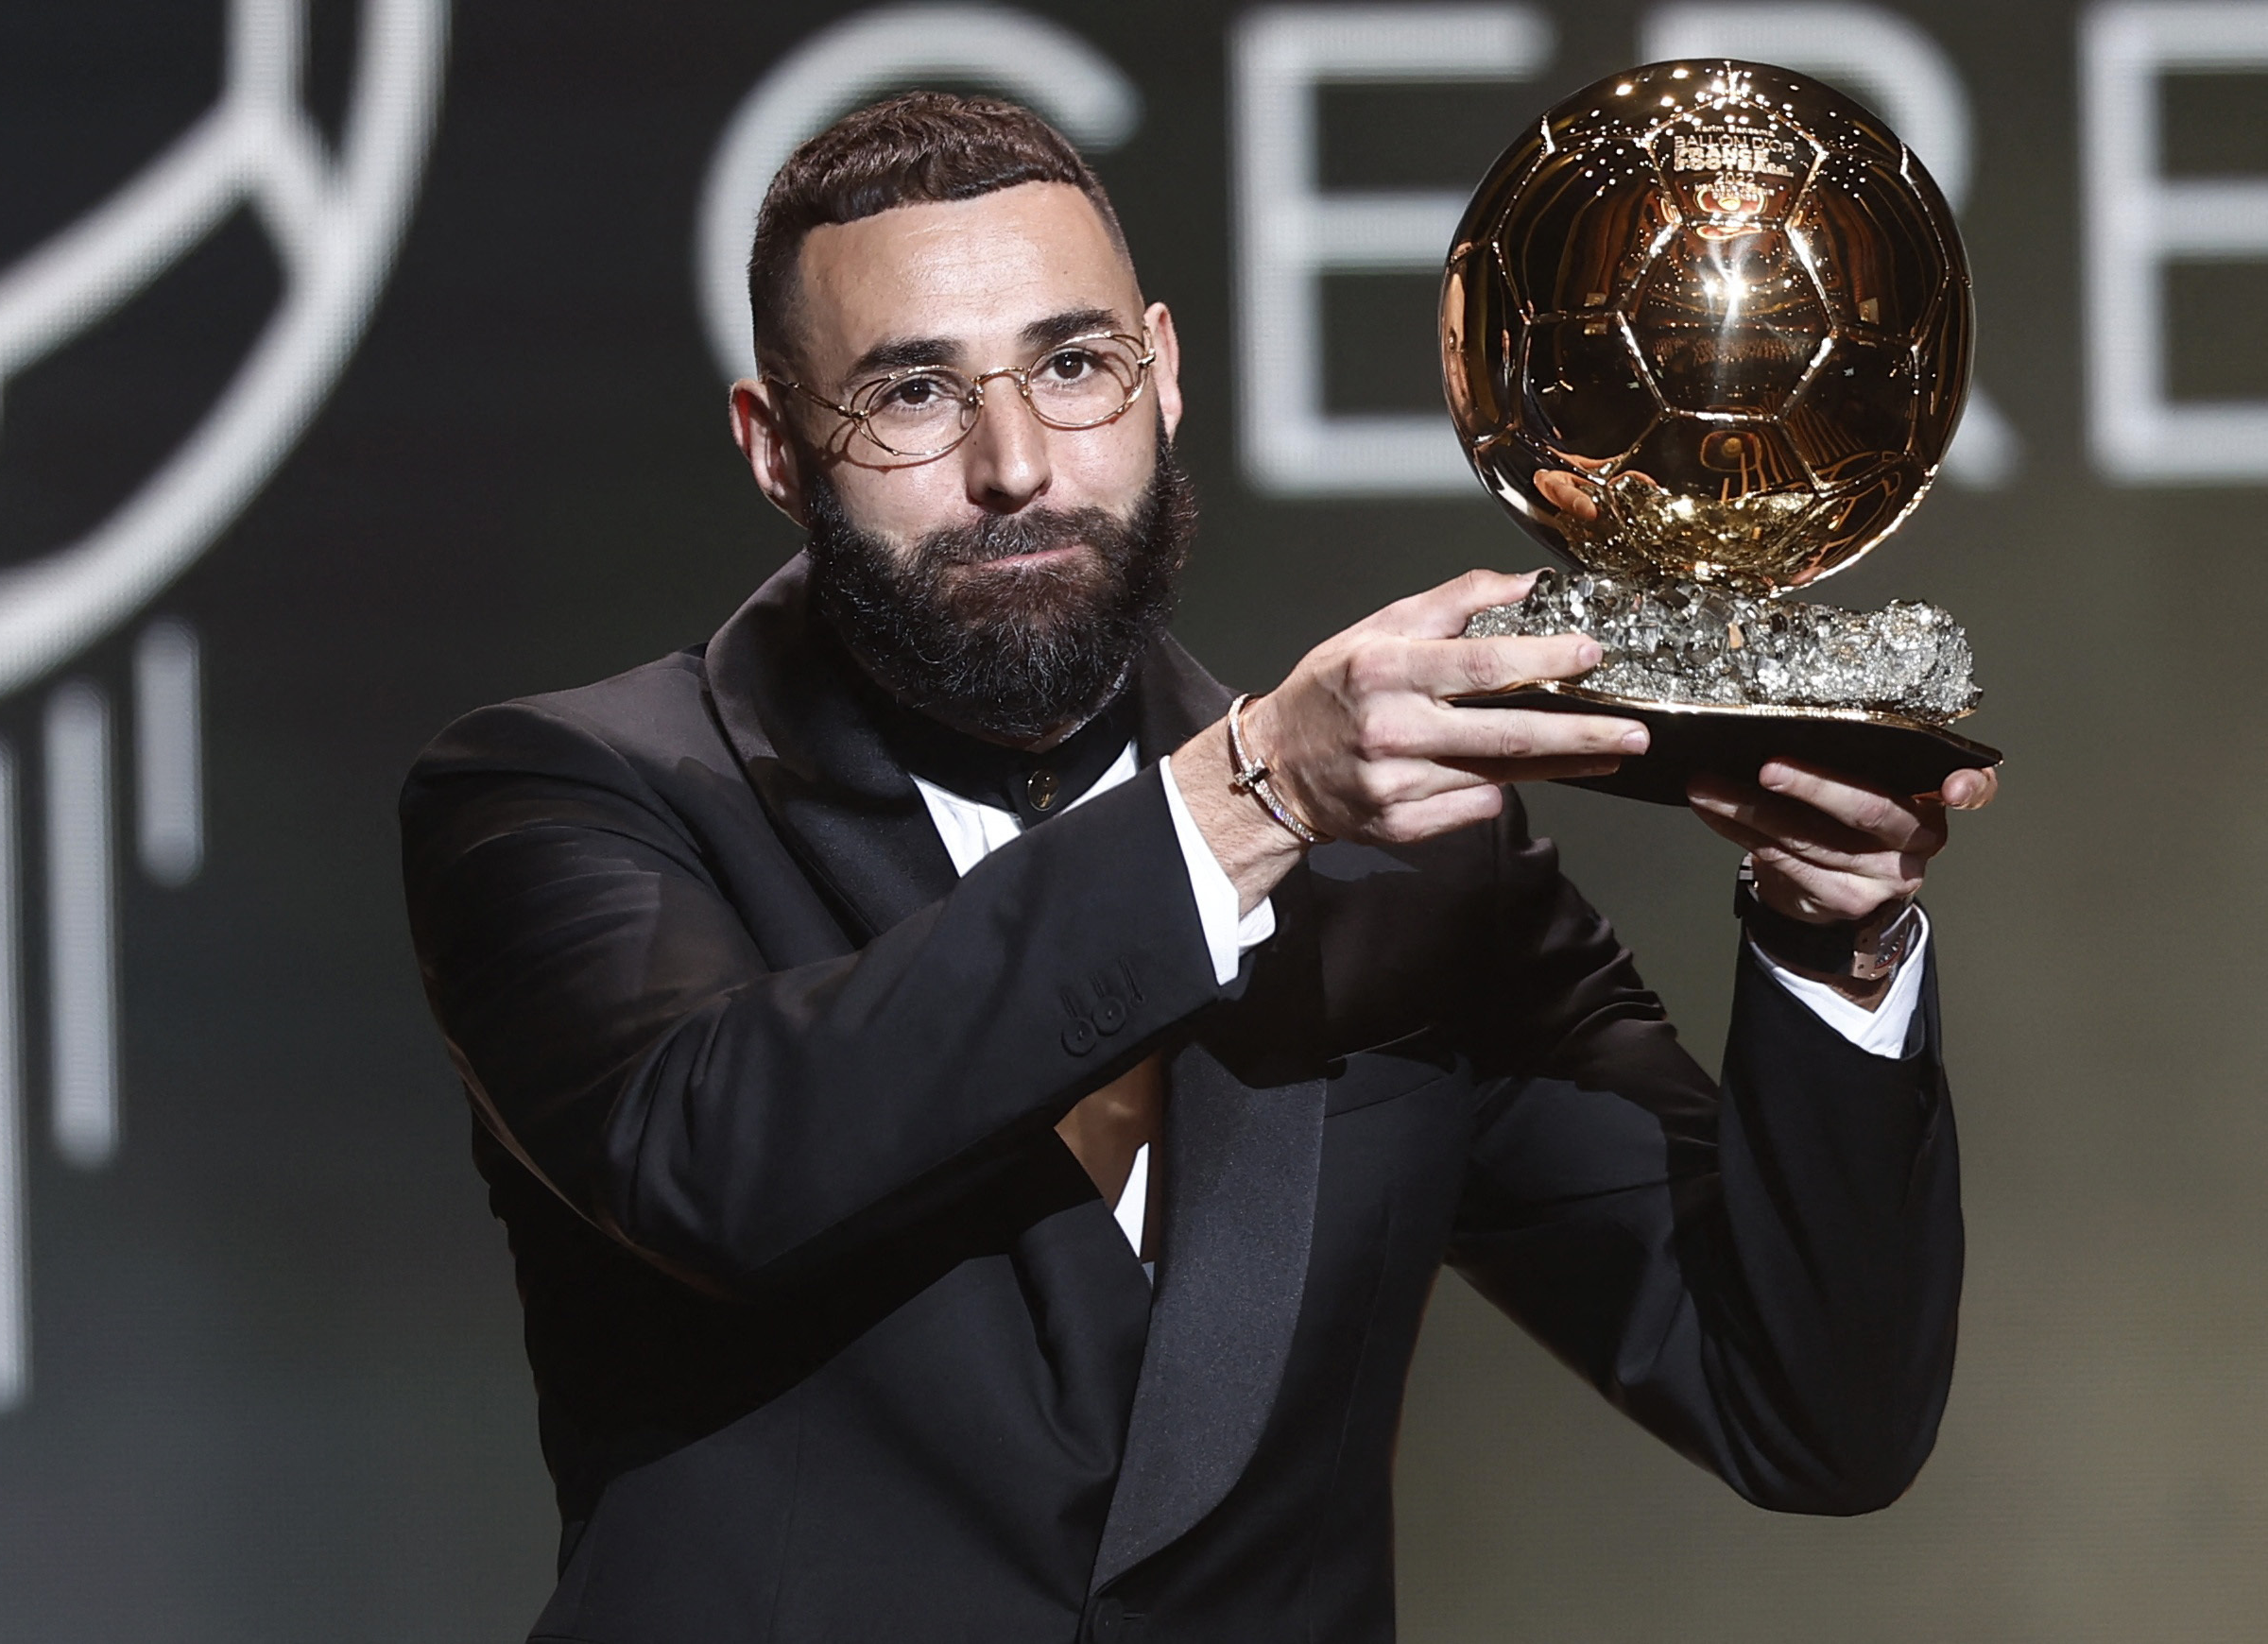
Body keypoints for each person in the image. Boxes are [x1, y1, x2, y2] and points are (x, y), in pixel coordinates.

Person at [400, 92, 1993, 1644]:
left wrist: (1829, 936)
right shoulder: (571, 792)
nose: (1015, 464)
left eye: (1071, 366)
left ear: (1161, 373)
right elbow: (720, 1167)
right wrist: (1251, 797)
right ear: (774, 446)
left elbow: (1808, 1414)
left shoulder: (1421, 875)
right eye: (911, 395)